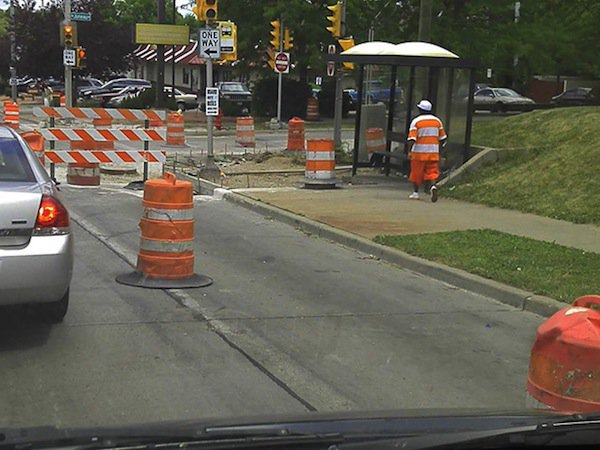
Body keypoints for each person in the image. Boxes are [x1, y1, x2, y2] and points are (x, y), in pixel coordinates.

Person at [406, 99, 447, 202]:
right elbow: (443, 139)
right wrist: (440, 151)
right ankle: (433, 186)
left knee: (416, 172)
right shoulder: (437, 121)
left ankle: (415, 193)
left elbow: (412, 139)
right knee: (432, 171)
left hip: (419, 153)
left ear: (420, 109)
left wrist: (409, 151)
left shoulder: (416, 121)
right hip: (433, 152)